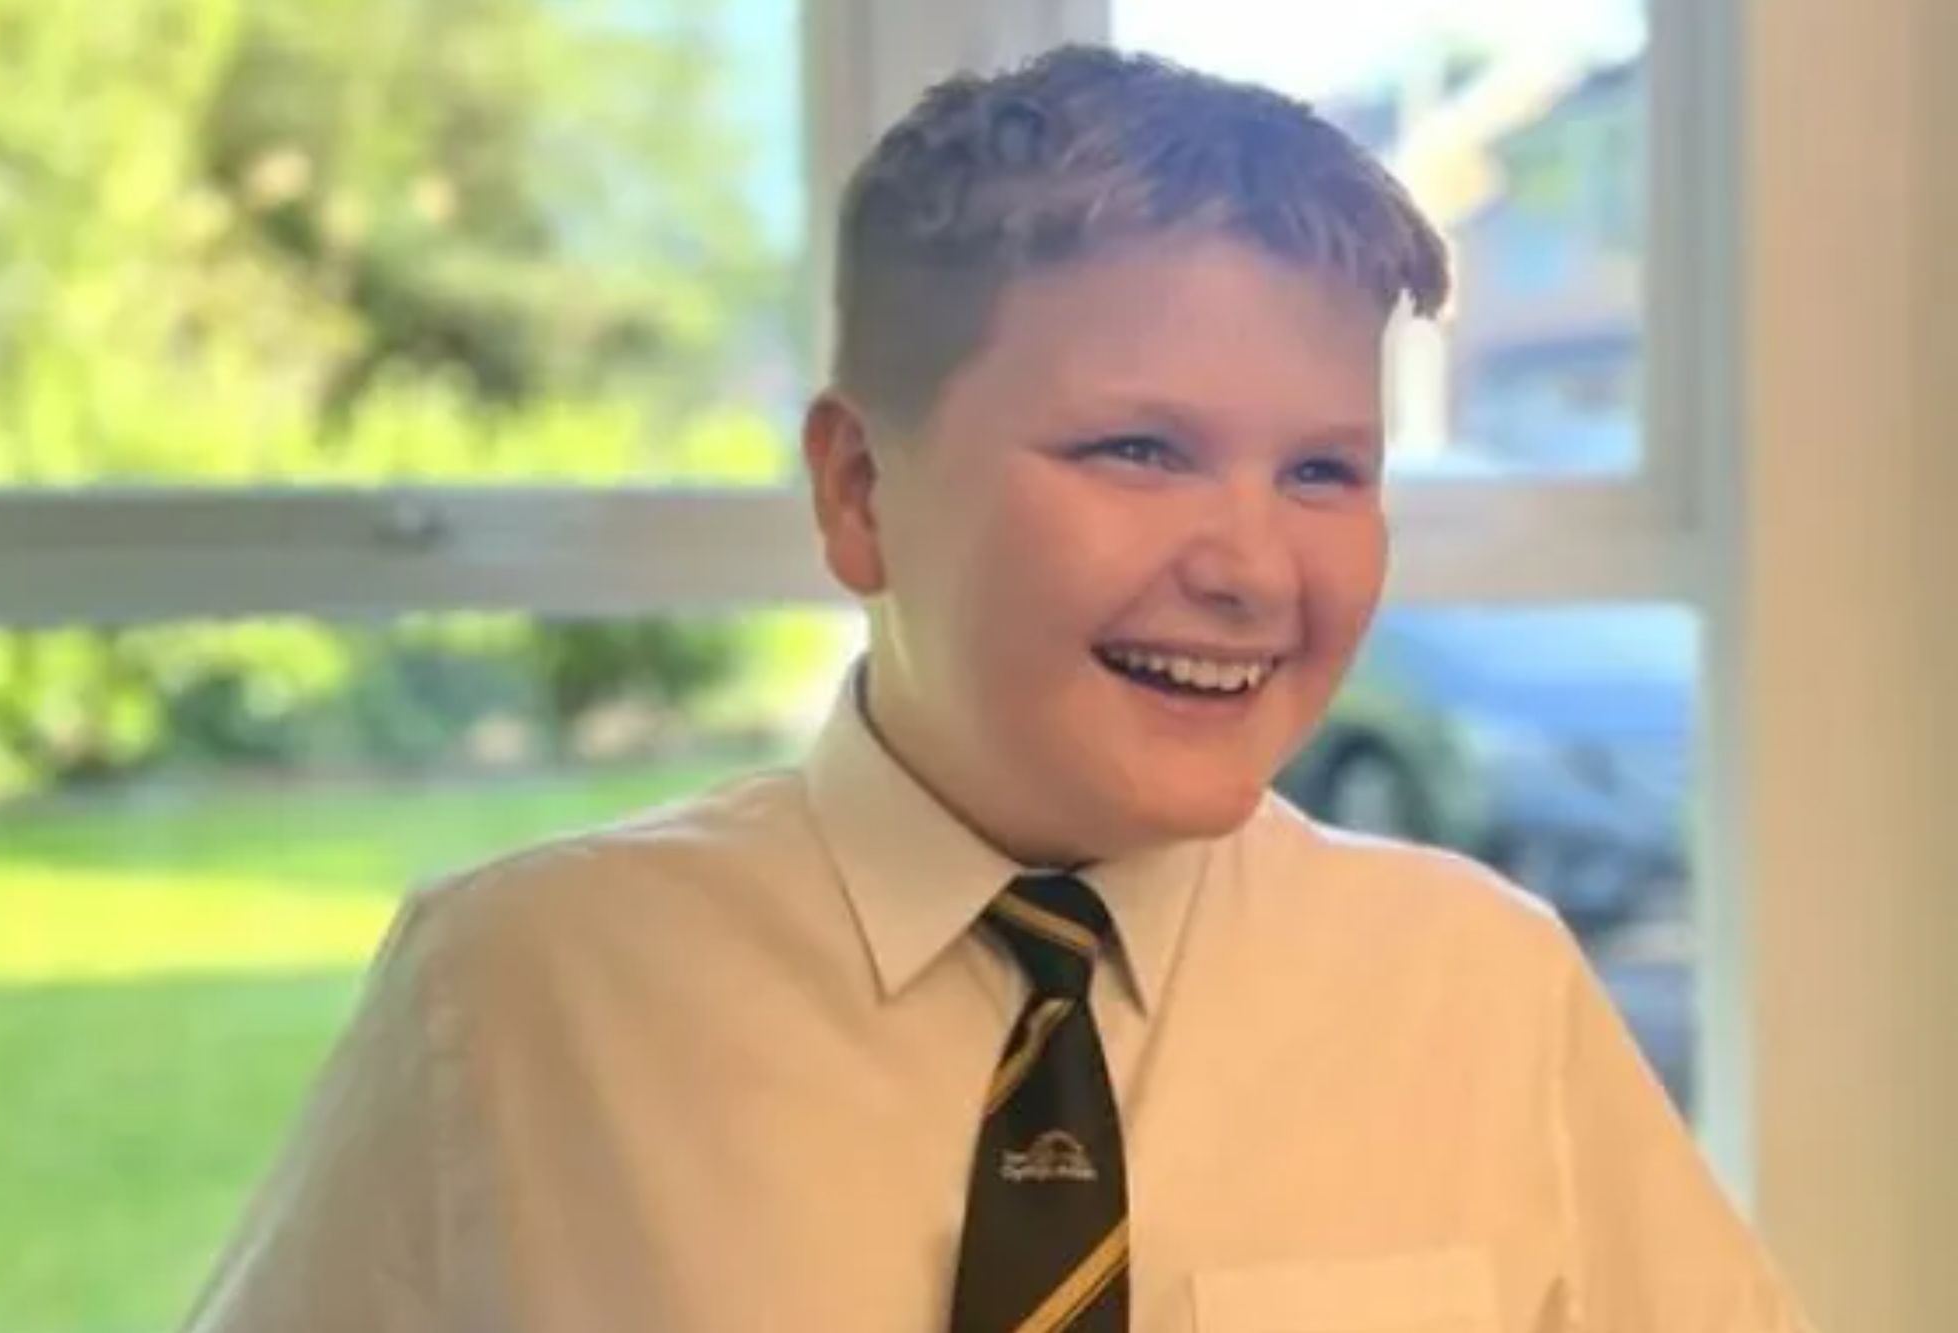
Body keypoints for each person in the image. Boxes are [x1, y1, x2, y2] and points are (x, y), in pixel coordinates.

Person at [184, 44, 1816, 1332]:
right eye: (1139, 448)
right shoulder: (528, 994)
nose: (1254, 565)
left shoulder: (1482, 989)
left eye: (1326, 469)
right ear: (859, 492)